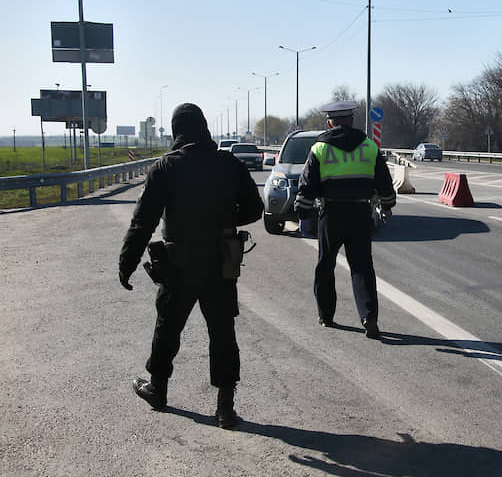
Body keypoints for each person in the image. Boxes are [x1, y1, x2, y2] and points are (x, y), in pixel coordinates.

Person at [118, 103, 263, 428]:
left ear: (176, 131)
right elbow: (255, 209)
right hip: (219, 261)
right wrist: (225, 218)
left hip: (178, 263)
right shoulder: (229, 163)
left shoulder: (165, 167)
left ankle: (158, 389)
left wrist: (127, 263)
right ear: (204, 127)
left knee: (168, 327)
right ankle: (225, 408)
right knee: (223, 331)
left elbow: (144, 221)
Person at [294, 100, 396, 339]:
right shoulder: (369, 147)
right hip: (361, 213)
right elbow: (384, 181)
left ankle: (326, 315)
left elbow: (307, 184)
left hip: (331, 214)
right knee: (362, 267)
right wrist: (387, 205)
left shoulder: (320, 148)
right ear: (351, 120)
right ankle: (369, 317)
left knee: (325, 265)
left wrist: (302, 212)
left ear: (329, 122)